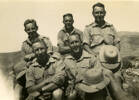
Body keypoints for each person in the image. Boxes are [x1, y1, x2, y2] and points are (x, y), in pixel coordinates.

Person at [64, 34, 97, 100]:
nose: (75, 45)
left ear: (81, 43)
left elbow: (96, 76)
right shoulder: (66, 60)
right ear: (69, 46)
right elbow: (66, 77)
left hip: (90, 86)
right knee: (71, 95)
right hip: (75, 88)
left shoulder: (91, 58)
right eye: (72, 43)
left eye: (76, 42)